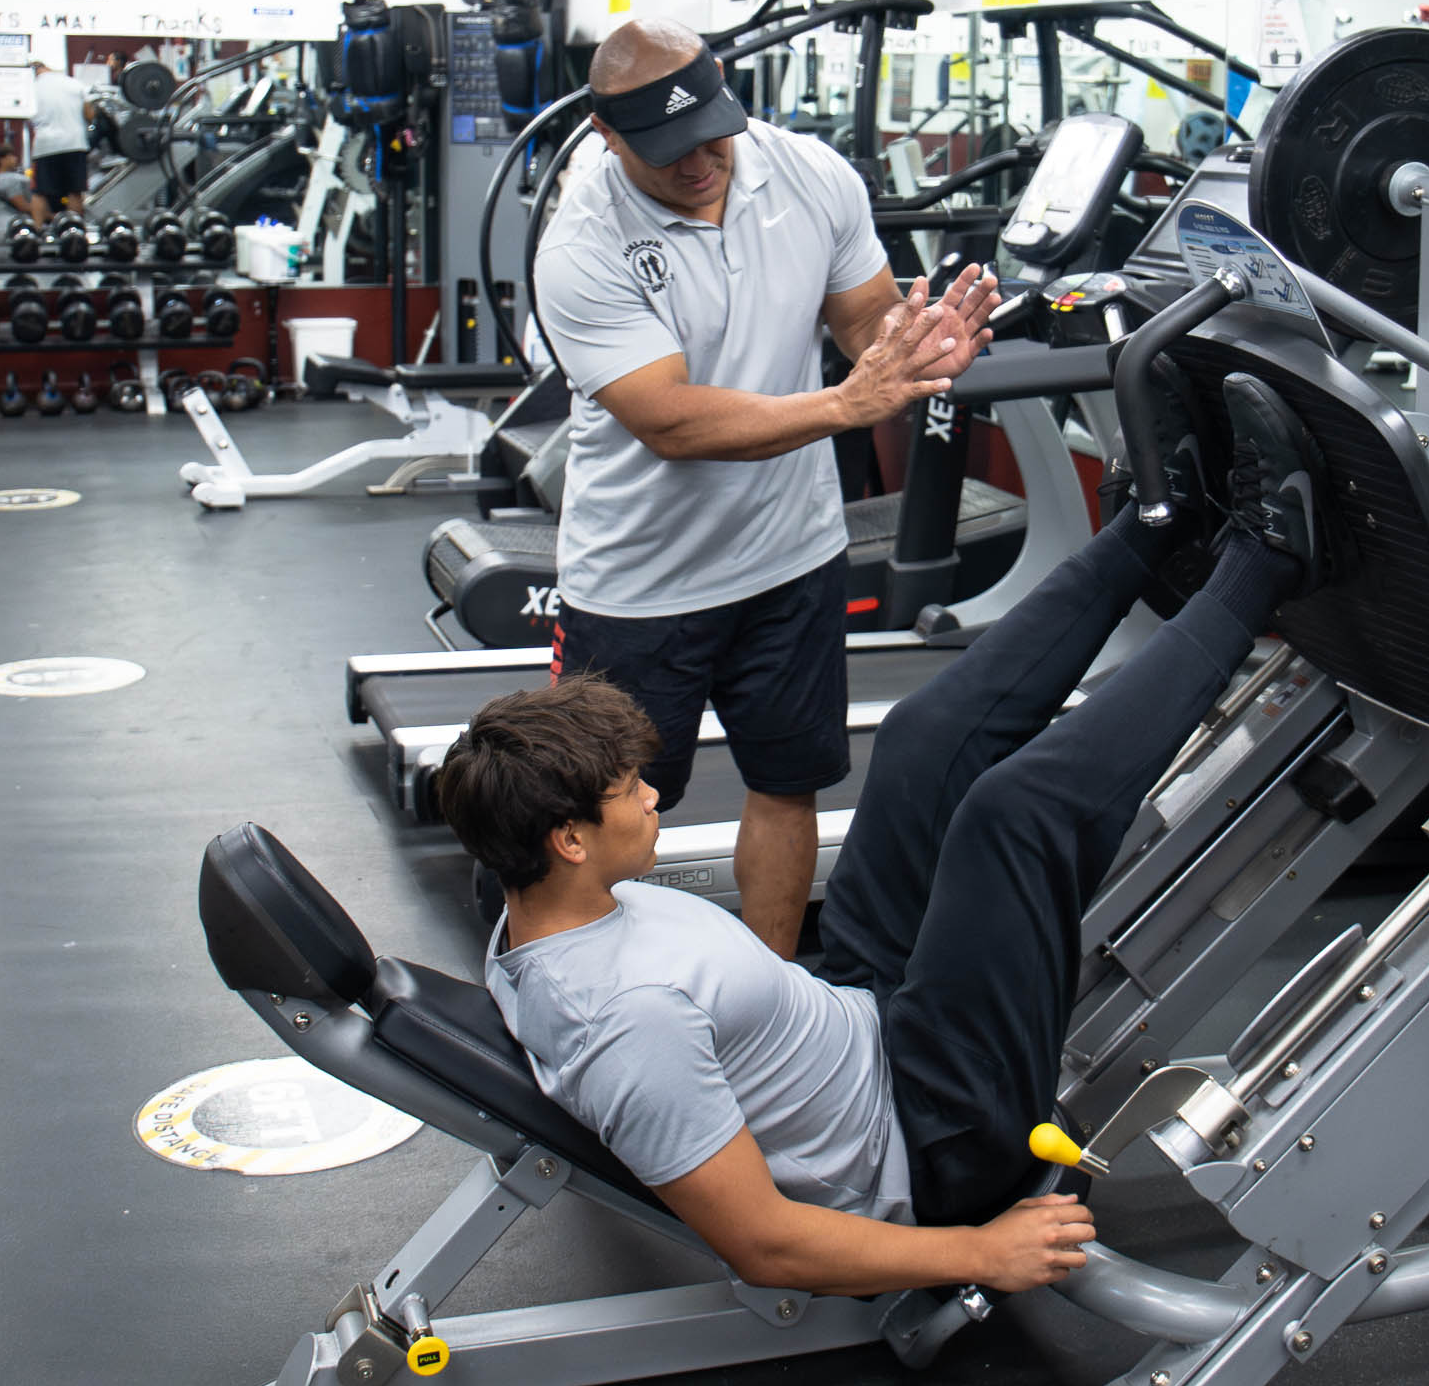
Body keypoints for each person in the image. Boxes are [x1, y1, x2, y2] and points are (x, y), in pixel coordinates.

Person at [435, 377, 1333, 1294]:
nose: (655, 801)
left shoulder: (540, 909)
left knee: (920, 748)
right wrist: (980, 1253)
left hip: (864, 1016)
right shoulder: (630, 1031)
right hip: (934, 1139)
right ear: (569, 840)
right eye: (629, 794)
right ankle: (1265, 561)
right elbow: (767, 1244)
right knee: (1012, 816)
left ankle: (1156, 525)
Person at [531, 15, 1001, 963]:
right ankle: (582, 1010)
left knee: (790, 785)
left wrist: (908, 348)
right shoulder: (580, 242)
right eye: (669, 151)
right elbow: (670, 421)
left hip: (792, 560)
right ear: (609, 139)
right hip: (640, 585)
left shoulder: (808, 174)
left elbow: (863, 315)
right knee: (597, 819)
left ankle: (774, 998)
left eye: (714, 132)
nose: (703, 162)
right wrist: (847, 403)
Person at [25, 59, 91, 223]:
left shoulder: (30, 88)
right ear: (47, 67)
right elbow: (89, 114)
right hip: (75, 143)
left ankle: (37, 234)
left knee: (39, 193)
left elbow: (27, 118)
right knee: (74, 192)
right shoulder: (74, 83)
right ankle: (73, 230)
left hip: (46, 145)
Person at [0, 147, 35, 214]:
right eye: (11, 156)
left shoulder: (2, 178)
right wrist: (48, 215)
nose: (15, 158)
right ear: (2, 160)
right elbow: (23, 206)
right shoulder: (11, 180)